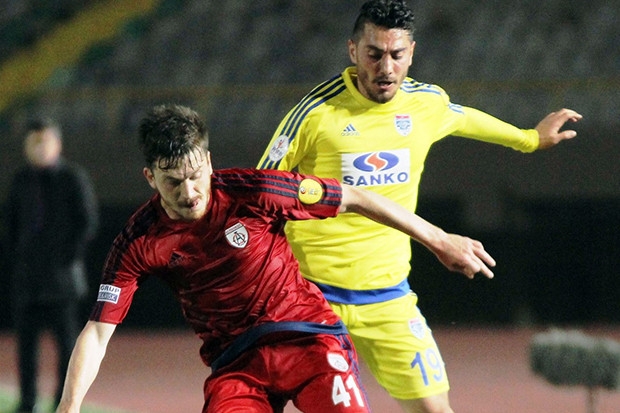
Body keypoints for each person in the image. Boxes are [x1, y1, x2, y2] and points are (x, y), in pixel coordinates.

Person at [55, 104, 495, 413]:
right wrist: (68, 407)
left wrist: (439, 239)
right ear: (150, 177)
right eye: (172, 181)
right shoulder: (138, 240)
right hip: (237, 368)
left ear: (208, 160)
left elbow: (356, 197)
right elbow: (98, 332)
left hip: (308, 340)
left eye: (195, 175)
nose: (189, 192)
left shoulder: (257, 191)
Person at [256, 1, 583, 412]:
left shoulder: (426, 105)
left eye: (397, 54)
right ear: (353, 51)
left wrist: (529, 139)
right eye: (374, 54)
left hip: (388, 297)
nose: (386, 67)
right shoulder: (314, 114)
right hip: (309, 297)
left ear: (411, 53)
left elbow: (466, 120)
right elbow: (257, 190)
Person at [4, 117, 98, 413]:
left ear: (57, 144)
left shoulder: (73, 178)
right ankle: (27, 402)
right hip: (28, 279)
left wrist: (67, 258)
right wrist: (19, 258)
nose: (40, 148)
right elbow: (10, 224)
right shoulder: (21, 180)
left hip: (62, 280)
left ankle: (63, 402)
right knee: (26, 348)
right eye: (34, 142)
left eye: (45, 141)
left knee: (68, 346)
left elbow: (87, 222)